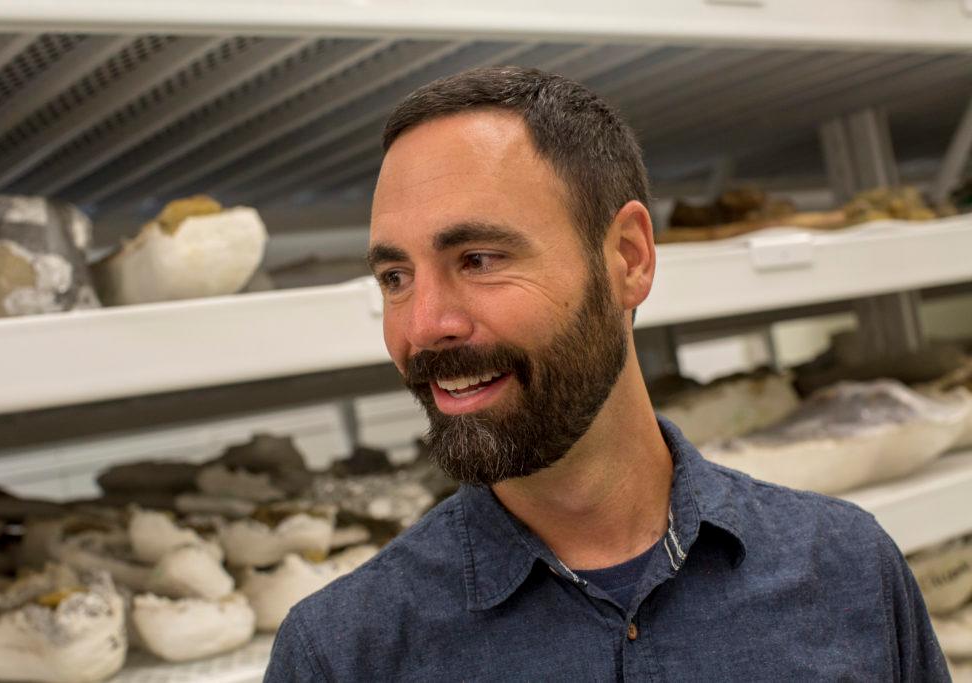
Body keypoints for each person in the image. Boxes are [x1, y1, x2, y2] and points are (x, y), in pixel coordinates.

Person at [265, 66, 948, 681]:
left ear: (628, 258)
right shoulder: (342, 656)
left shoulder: (848, 571)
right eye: (395, 277)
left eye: (478, 258)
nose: (423, 325)